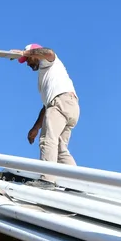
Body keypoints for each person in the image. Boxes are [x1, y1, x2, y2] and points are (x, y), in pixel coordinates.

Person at [15, 43, 80, 180]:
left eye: (28, 60)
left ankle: (47, 180)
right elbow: (46, 107)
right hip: (69, 106)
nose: (27, 63)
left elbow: (49, 52)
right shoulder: (47, 75)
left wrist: (25, 53)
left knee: (48, 140)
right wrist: (36, 127)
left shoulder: (48, 61)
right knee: (60, 149)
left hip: (61, 103)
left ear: (34, 54)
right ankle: (77, 182)